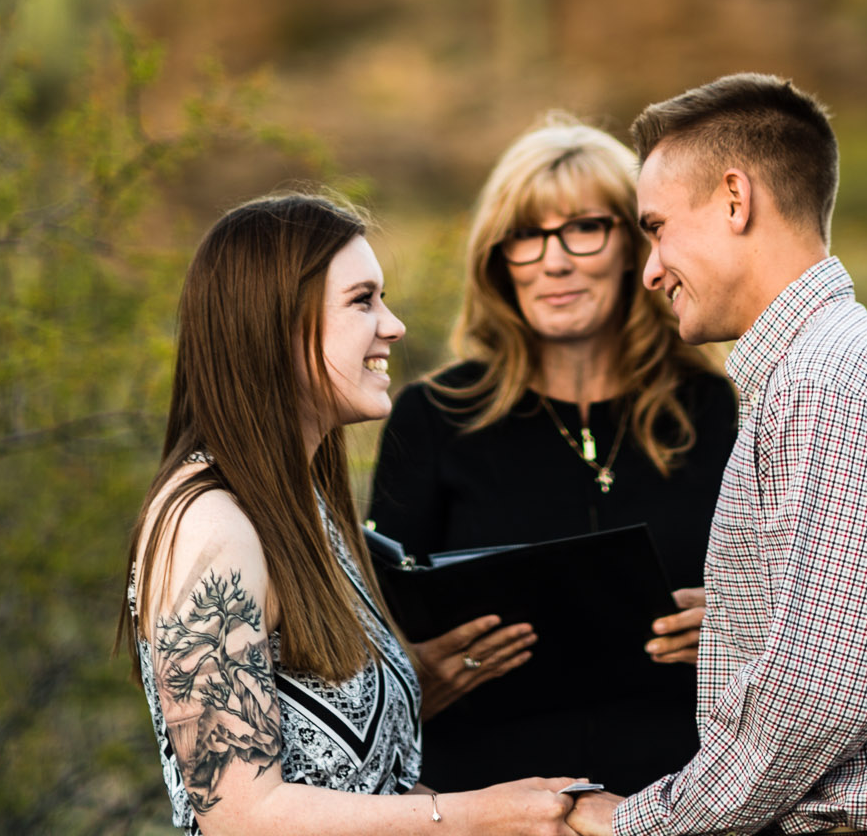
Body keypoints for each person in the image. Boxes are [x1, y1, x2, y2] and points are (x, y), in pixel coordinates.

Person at [565, 74, 867, 836]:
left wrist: (642, 824)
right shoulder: (832, 367)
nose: (649, 269)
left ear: (734, 199)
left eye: (656, 228)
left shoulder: (824, 381)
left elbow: (821, 692)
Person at [119, 190, 582, 836]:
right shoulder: (210, 526)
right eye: (362, 301)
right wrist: (479, 815)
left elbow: (359, 784)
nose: (392, 325)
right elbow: (240, 817)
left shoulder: (304, 508)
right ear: (274, 323)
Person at [371, 119, 738, 799]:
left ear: (637, 244)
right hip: (489, 796)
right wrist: (414, 674)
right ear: (498, 258)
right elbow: (377, 624)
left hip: (682, 794)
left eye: (584, 228)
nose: (554, 260)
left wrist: (738, 623)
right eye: (526, 235)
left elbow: (787, 600)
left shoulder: (715, 408)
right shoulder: (432, 417)